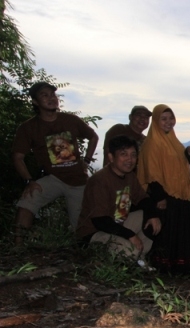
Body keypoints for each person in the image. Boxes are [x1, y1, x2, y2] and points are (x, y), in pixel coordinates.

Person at [12, 82, 99, 245]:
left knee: (81, 229)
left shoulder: (71, 120)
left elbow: (93, 136)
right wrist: (29, 181)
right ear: (36, 102)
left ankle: (82, 254)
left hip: (78, 181)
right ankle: (18, 246)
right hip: (52, 178)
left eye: (53, 95)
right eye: (44, 95)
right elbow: (18, 157)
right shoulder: (28, 128)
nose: (51, 98)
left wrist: (86, 161)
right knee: (27, 202)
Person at [137, 104, 190, 274]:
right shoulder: (152, 143)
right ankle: (164, 271)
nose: (169, 122)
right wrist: (160, 199)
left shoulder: (172, 140)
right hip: (165, 197)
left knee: (181, 235)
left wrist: (189, 152)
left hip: (179, 195)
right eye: (163, 119)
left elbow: (179, 163)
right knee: (167, 235)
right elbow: (152, 174)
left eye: (171, 118)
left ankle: (182, 271)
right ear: (156, 121)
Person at [77, 136, 161, 262]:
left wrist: (153, 215)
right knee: (130, 252)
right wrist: (130, 235)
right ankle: (107, 255)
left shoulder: (129, 176)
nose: (130, 159)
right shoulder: (100, 180)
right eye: (124, 154)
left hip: (117, 223)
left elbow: (143, 199)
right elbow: (100, 220)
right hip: (94, 232)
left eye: (133, 155)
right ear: (111, 157)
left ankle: (140, 258)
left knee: (151, 218)